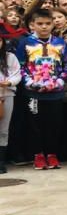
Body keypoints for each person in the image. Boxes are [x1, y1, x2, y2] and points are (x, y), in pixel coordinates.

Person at [15, 8, 67, 169]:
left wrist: (59, 82)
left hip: (55, 92)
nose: (44, 27)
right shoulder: (26, 43)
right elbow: (20, 66)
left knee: (54, 124)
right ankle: (38, 155)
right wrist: (30, 83)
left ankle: (52, 154)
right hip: (33, 92)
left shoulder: (60, 43)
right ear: (32, 25)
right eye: (40, 24)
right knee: (35, 125)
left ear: (53, 25)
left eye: (47, 24)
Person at [0, 32, 22, 173]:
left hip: (6, 94)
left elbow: (17, 73)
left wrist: (9, 82)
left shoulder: (9, 57)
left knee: (3, 129)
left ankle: (1, 161)